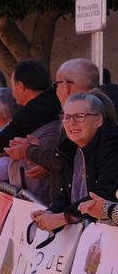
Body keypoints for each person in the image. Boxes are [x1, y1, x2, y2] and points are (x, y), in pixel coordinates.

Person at [33, 92, 118, 231]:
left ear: (99, 120)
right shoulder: (69, 149)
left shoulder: (112, 144)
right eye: (66, 117)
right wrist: (51, 212)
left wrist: (63, 218)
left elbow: (103, 196)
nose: (71, 122)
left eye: (79, 116)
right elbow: (65, 195)